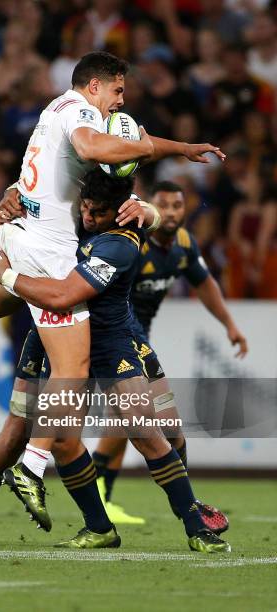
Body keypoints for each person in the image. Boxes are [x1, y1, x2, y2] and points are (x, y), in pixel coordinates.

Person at [0, 51, 225, 510]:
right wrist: (145, 151)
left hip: (22, 229)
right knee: (72, 369)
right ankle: (32, 467)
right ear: (96, 86)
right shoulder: (84, 114)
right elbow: (91, 148)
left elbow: (105, 150)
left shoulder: (53, 109)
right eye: (117, 92)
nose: (119, 104)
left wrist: (179, 149)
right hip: (49, 251)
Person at [0, 168, 231, 553]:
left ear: (120, 211)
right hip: (68, 339)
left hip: (109, 341)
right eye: (85, 207)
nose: (88, 217)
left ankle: (195, 527)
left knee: (144, 430)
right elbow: (38, 188)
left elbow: (65, 295)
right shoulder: (78, 212)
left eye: (98, 212)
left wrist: (9, 278)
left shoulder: (121, 243)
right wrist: (10, 195)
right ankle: (99, 527)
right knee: (64, 442)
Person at [91, 180, 248, 520]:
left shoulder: (183, 244)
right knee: (145, 419)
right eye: (164, 205)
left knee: (131, 421)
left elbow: (204, 283)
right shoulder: (133, 243)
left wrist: (229, 325)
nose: (172, 212)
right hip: (115, 338)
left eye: (178, 205)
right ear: (149, 207)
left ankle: (104, 494)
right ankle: (183, 505)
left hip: (138, 338)